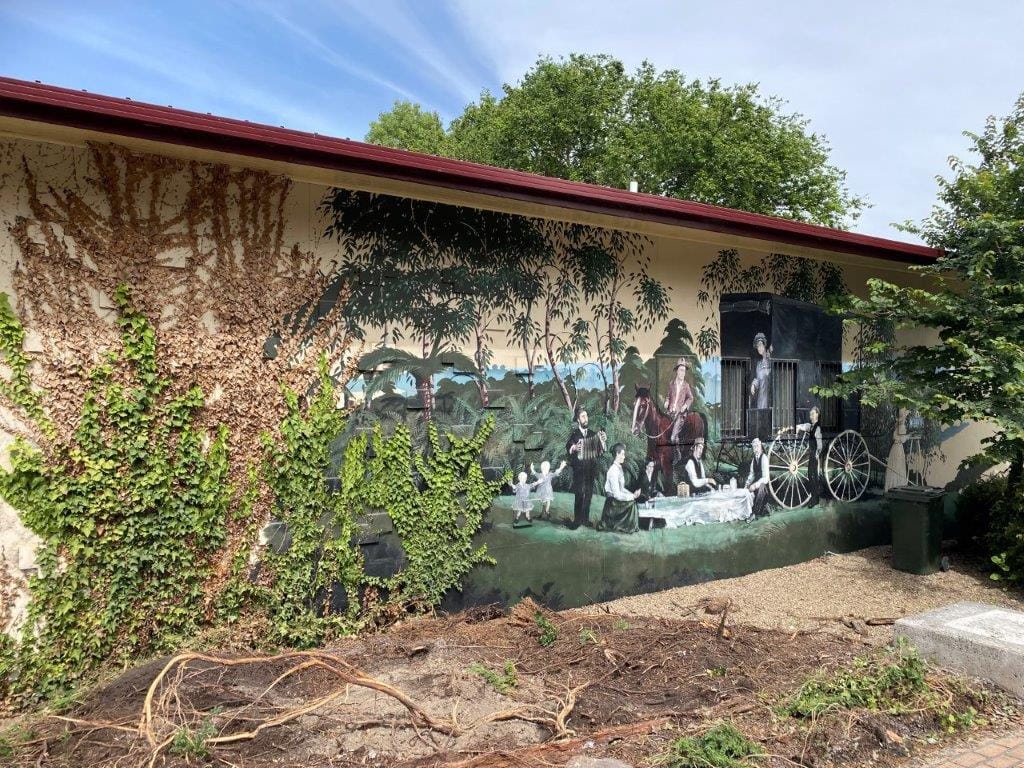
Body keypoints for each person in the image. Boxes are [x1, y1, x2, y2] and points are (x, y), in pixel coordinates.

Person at [566, 408, 606, 529]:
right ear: (578, 420)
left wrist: (603, 441)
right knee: (579, 493)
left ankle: (585, 519)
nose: (585, 418)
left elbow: (600, 451)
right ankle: (577, 521)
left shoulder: (593, 434)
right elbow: (568, 445)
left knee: (588, 494)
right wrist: (574, 447)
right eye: (583, 416)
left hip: (590, 470)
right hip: (579, 470)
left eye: (586, 416)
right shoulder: (574, 434)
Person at [598, 443, 640, 533]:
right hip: (612, 504)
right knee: (632, 503)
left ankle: (628, 525)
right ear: (617, 454)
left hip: (615, 501)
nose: (624, 457)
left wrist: (632, 494)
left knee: (633, 500)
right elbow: (617, 494)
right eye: (622, 454)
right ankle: (622, 525)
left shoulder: (619, 469)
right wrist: (632, 497)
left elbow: (621, 488)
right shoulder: (613, 471)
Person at [795, 406, 825, 506]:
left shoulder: (817, 428)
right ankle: (813, 496)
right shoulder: (812, 426)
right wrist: (799, 427)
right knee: (810, 475)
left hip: (815, 454)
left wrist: (817, 453)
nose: (811, 416)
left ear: (817, 414)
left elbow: (820, 443)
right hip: (812, 453)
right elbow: (805, 426)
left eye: (812, 414)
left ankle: (815, 499)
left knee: (813, 476)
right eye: (810, 414)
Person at [664, 357, 695, 450]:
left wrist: (685, 406)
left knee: (673, 438)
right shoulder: (671, 384)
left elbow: (690, 398)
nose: (683, 373)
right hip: (670, 412)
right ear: (677, 371)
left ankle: (677, 455)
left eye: (684, 371)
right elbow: (668, 396)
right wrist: (666, 401)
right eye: (681, 370)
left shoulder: (686, 385)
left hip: (680, 415)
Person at [745, 437, 771, 518]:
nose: (755, 448)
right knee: (746, 490)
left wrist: (755, 485)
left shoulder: (764, 458)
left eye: (756, 446)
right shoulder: (754, 460)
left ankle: (754, 513)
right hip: (755, 483)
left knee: (761, 488)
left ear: (760, 447)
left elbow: (766, 478)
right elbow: (752, 474)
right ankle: (747, 511)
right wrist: (747, 485)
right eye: (754, 447)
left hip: (764, 487)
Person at [885, 408, 910, 491]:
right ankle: (897, 486)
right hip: (898, 448)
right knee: (898, 467)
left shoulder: (897, 426)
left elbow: (896, 437)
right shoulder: (902, 427)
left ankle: (892, 485)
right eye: (905, 417)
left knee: (895, 466)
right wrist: (908, 436)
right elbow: (902, 439)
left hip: (894, 448)